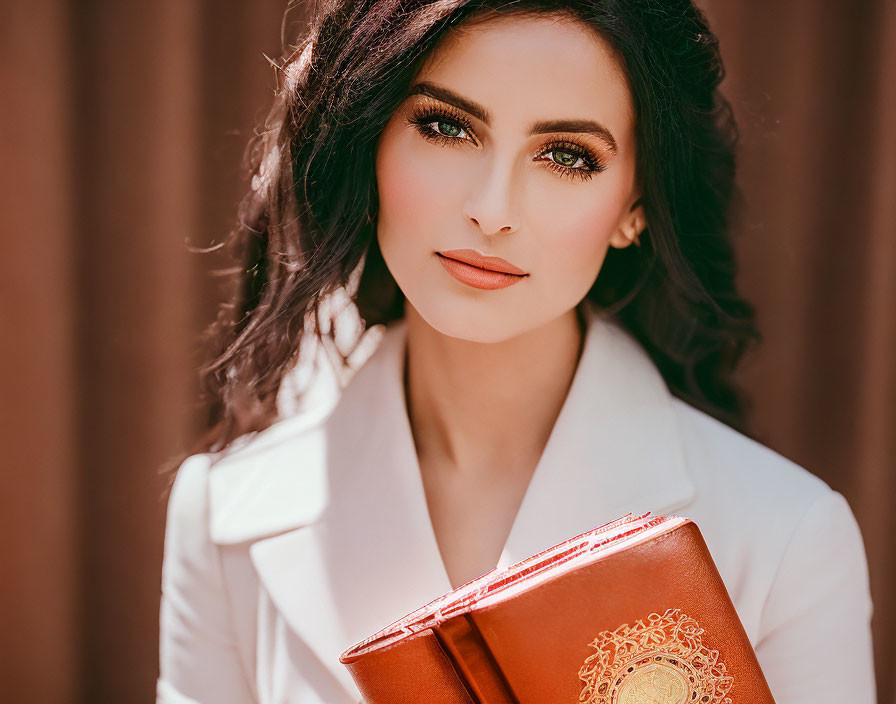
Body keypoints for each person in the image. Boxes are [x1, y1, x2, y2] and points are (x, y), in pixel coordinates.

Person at [156, 1, 877, 702]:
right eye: (445, 126)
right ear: (367, 141)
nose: (492, 210)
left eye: (567, 156)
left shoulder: (788, 539)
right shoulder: (223, 519)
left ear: (637, 207)